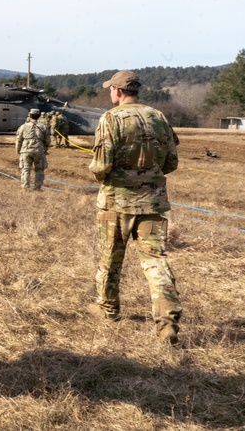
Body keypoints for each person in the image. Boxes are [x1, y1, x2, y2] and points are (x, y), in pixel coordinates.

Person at [88, 70, 182, 345]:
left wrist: (99, 173)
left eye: (110, 90)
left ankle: (108, 309)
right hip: (152, 204)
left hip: (116, 204)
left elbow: (102, 166)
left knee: (110, 259)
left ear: (117, 91)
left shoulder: (110, 118)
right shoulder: (159, 117)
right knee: (156, 262)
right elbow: (171, 162)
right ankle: (167, 323)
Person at [15, 108, 50, 190]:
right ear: (39, 117)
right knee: (39, 169)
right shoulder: (43, 127)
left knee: (26, 169)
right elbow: (48, 141)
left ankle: (25, 187)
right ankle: (37, 187)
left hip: (26, 151)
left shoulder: (23, 127)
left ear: (30, 116)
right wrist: (45, 148)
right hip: (39, 150)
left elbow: (19, 140)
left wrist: (18, 150)